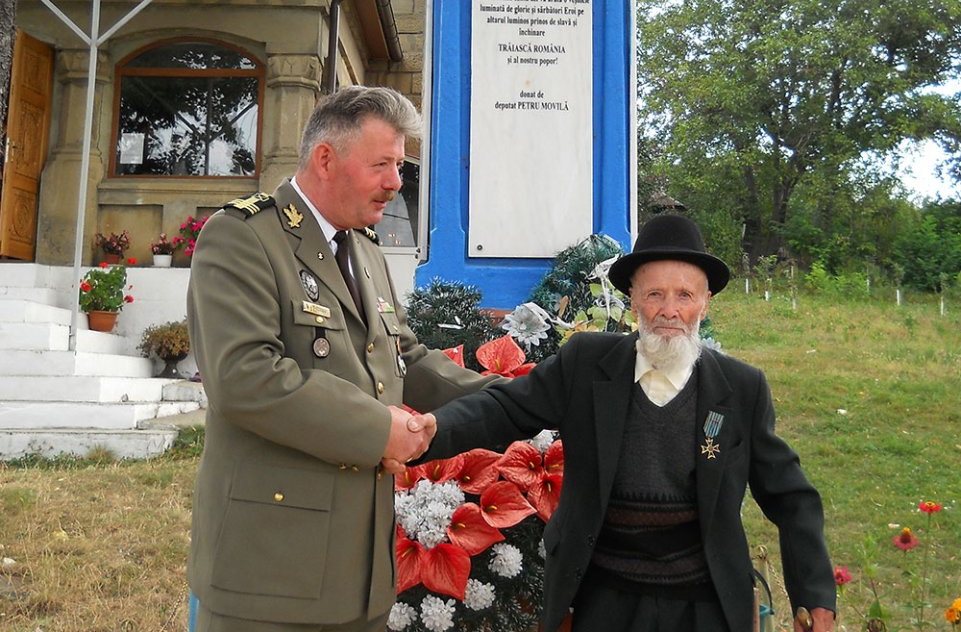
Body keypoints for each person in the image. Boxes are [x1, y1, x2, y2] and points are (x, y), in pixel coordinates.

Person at [406, 213, 837, 632]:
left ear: (705, 303)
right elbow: (503, 408)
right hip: (601, 597)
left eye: (685, 296)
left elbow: (791, 497)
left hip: (705, 603)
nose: (669, 311)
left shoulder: (742, 389)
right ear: (632, 299)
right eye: (655, 295)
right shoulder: (586, 364)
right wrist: (432, 430)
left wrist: (814, 593)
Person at [186, 85, 497, 632]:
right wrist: (380, 428)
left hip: (358, 576)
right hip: (270, 576)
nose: (396, 183)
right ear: (326, 159)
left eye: (399, 165)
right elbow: (244, 377)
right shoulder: (243, 237)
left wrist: (511, 398)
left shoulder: (366, 251)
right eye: (382, 164)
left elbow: (404, 358)